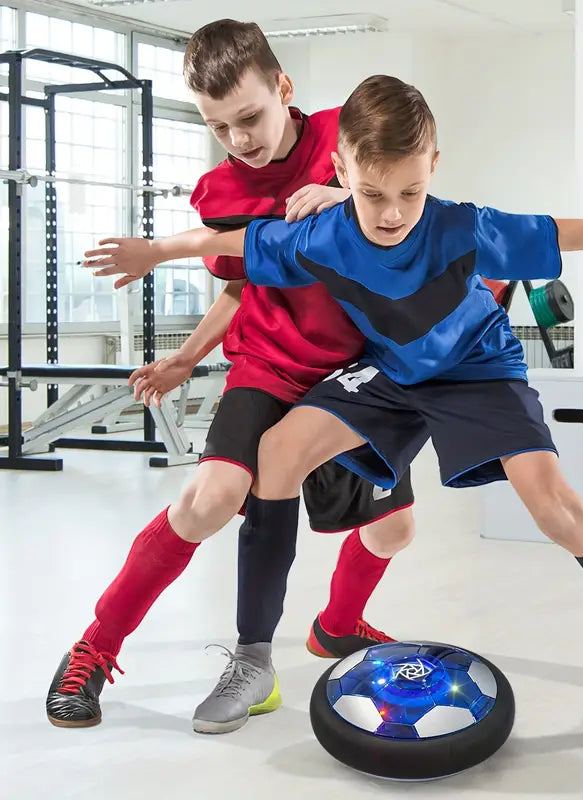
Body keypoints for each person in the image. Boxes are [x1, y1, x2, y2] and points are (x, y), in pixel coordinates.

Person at [89, 74, 583, 751]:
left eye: (410, 191)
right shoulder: (320, 236)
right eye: (373, 193)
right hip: (390, 373)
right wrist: (154, 252)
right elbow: (231, 243)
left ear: (432, 167)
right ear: (341, 168)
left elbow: (572, 230)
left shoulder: (463, 226)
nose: (391, 212)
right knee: (277, 453)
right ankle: (253, 660)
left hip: (476, 370)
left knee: (555, 507)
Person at [45, 22, 417, 736]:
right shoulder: (218, 190)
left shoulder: (348, 135)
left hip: (353, 373)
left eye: (249, 118)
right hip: (270, 365)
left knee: (395, 528)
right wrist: (187, 357)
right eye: (218, 127)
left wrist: (350, 196)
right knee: (210, 498)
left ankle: (337, 627)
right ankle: (95, 646)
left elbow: (411, 198)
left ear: (285, 88)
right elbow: (240, 288)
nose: (239, 140)